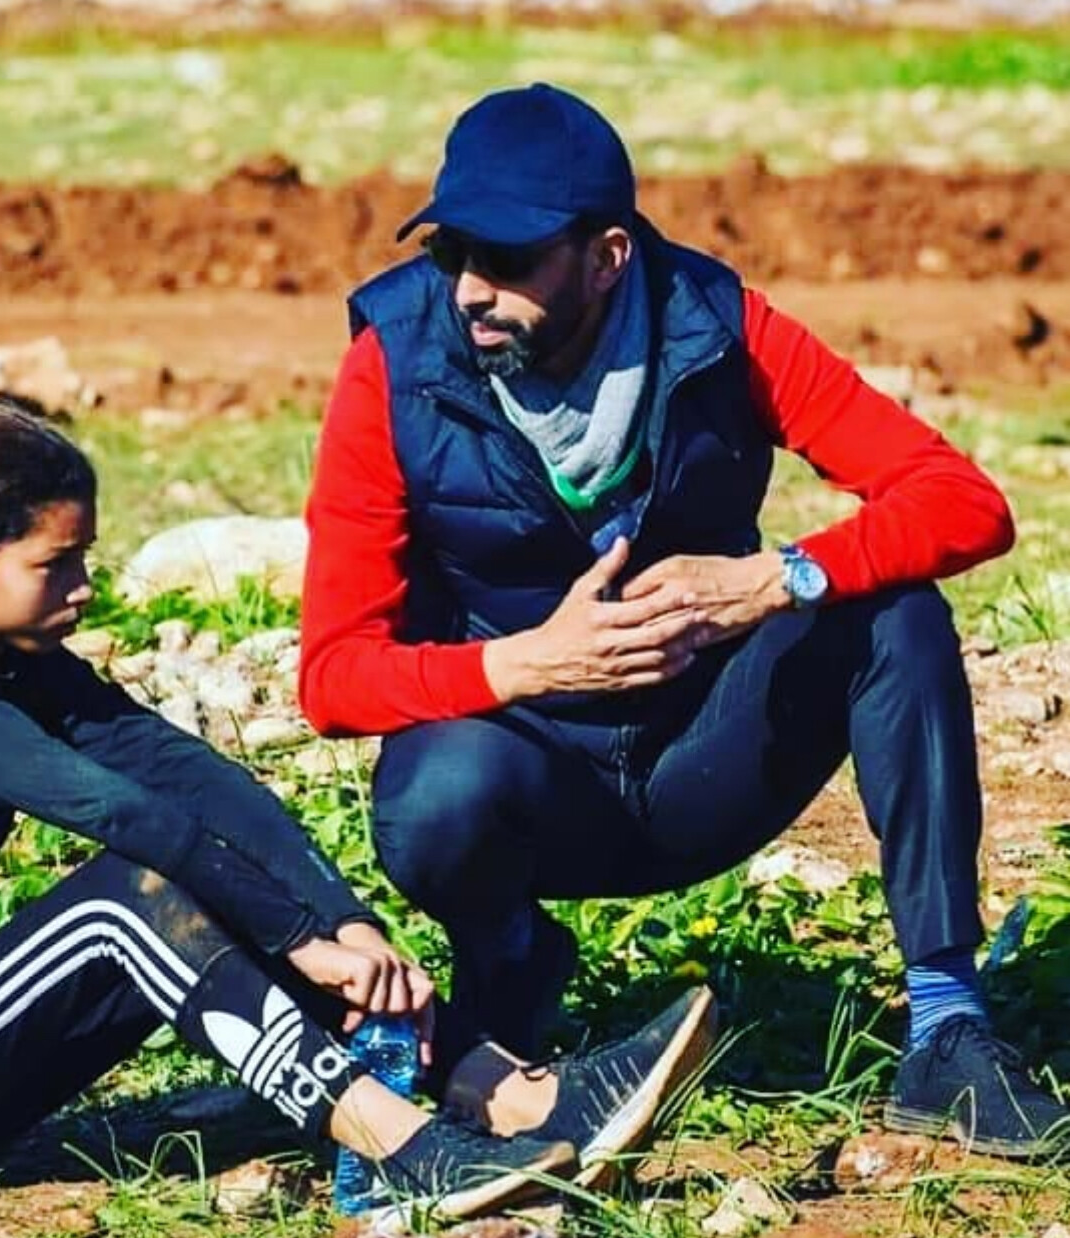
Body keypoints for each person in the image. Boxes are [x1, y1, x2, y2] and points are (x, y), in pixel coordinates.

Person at [299, 82, 1070, 1160]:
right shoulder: (393, 360)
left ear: (607, 255)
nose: (471, 287)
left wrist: (774, 580)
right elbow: (333, 675)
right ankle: (510, 961)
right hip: (530, 778)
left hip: (708, 757)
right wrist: (526, 664)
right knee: (433, 797)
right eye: (452, 251)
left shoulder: (719, 324)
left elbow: (962, 500)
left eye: (508, 259)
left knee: (894, 614)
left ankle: (947, 1025)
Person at [0, 396, 711, 1215]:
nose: (84, 587)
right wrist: (295, 936)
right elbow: (114, 813)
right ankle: (401, 1149)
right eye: (55, 564)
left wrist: (343, 924)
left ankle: (518, 1098)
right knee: (129, 896)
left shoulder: (15, 663)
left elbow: (197, 782)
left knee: (198, 868)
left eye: (85, 558)